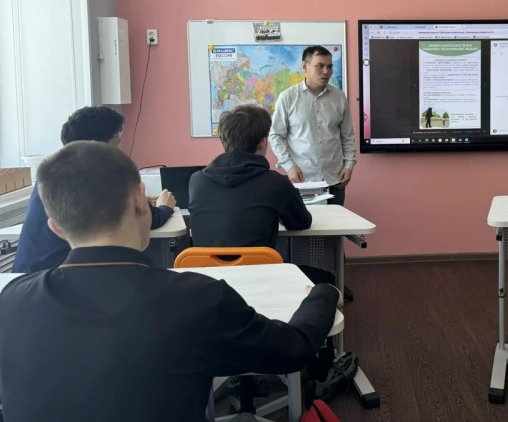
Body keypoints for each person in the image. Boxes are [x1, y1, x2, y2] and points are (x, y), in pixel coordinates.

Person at [0, 141, 340, 422]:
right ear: (140, 201)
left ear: (56, 227)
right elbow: (293, 350)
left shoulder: (10, 301)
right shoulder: (198, 298)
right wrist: (324, 292)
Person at [12, 106, 176, 273]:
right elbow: (149, 218)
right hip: (65, 280)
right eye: (116, 143)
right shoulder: (101, 173)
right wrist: (164, 207)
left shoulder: (50, 176)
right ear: (100, 147)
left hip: (25, 277)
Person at [189, 104, 312, 248]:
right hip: (260, 263)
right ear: (263, 142)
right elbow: (302, 222)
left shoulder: (197, 181)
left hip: (203, 263)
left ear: (223, 141)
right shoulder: (276, 183)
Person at [269, 46, 356, 206]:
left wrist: (349, 165)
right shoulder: (288, 97)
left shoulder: (339, 97)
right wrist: (289, 166)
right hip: (302, 180)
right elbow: (275, 135)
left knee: (335, 222)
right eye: (320, 66)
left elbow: (347, 136)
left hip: (335, 180)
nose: (326, 71)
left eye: (329, 66)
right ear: (305, 66)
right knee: (305, 222)